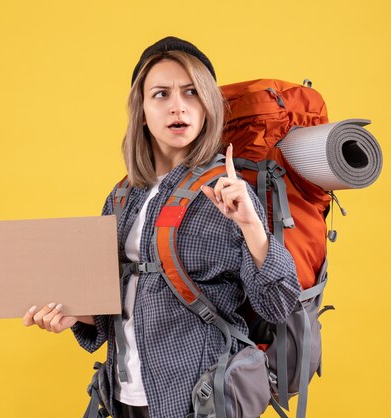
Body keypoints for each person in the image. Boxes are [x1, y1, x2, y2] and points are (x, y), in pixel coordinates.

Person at [23, 37, 301, 418]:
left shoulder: (228, 192)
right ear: (142, 111)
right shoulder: (122, 196)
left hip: (199, 399)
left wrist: (252, 226)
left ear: (207, 107)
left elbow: (278, 304)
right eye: (161, 94)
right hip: (123, 396)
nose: (178, 106)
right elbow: (115, 303)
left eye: (191, 93)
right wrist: (72, 314)